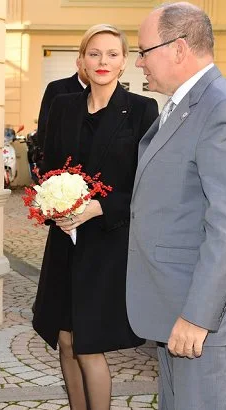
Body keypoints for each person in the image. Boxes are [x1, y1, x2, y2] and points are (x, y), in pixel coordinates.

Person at [126, 3, 226, 409]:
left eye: (144, 50)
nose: (139, 62)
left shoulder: (224, 109)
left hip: (204, 319)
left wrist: (199, 316)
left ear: (179, 48)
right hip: (174, 308)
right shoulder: (182, 105)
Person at [32, 24, 158, 410]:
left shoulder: (141, 110)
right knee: (65, 338)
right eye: (94, 54)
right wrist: (52, 205)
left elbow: (148, 183)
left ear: (124, 63)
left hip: (107, 240)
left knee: (89, 342)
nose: (102, 61)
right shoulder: (63, 105)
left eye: (112, 54)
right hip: (64, 239)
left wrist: (99, 207)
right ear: (81, 61)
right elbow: (48, 165)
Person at [35, 57, 89, 154]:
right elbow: (45, 130)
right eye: (91, 56)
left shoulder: (113, 93)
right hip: (65, 162)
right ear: (78, 62)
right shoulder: (57, 89)